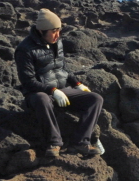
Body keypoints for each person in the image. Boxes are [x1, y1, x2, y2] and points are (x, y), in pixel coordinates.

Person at [15, 9, 104, 161]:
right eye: (53, 31)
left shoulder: (57, 42)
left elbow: (62, 69)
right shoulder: (25, 50)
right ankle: (54, 143)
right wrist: (52, 90)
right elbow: (28, 81)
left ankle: (80, 142)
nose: (57, 35)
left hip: (61, 90)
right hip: (38, 93)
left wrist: (77, 83)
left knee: (95, 99)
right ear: (41, 31)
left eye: (59, 31)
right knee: (42, 99)